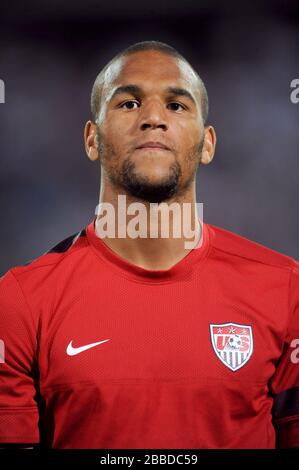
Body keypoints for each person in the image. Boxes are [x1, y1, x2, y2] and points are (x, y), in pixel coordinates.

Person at [0, 40, 298, 449]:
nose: (153, 117)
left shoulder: (286, 290)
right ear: (91, 139)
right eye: (128, 103)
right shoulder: (20, 303)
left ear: (208, 143)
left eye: (176, 105)